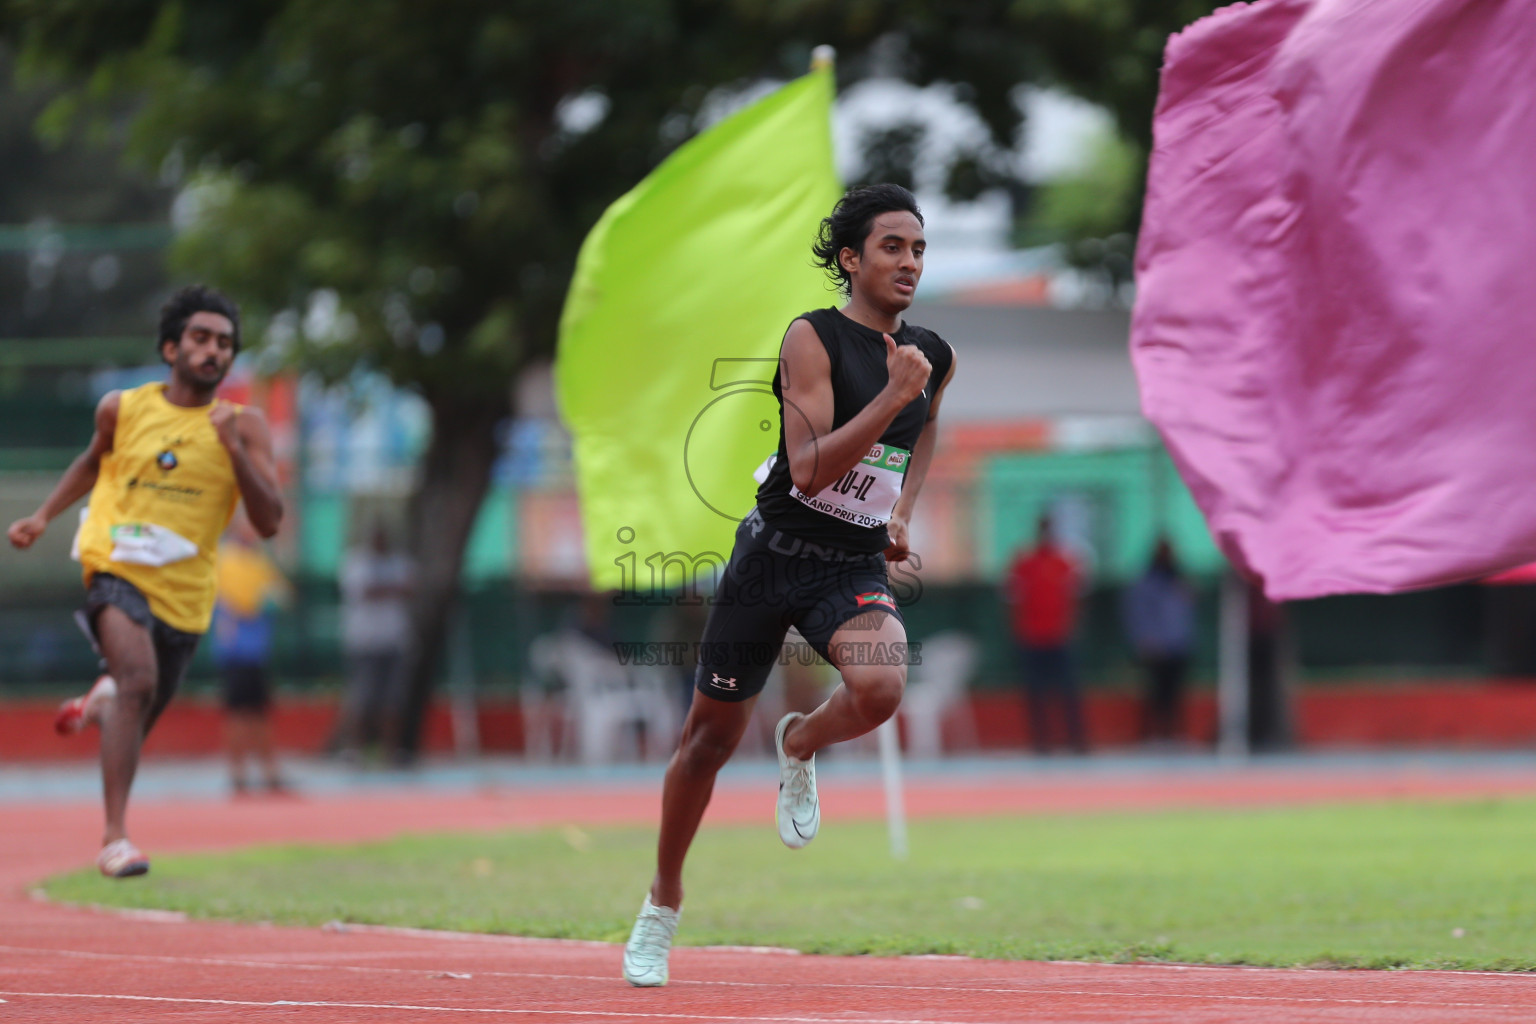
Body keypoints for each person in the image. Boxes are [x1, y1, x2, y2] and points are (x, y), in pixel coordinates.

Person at [622, 183, 956, 987]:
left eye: (918, 249)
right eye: (891, 247)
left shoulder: (930, 356)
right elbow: (808, 474)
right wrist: (891, 395)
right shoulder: (812, 339)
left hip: (849, 566)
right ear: (850, 258)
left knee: (880, 687)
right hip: (772, 556)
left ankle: (800, 742)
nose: (909, 262)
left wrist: (903, 508)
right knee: (706, 742)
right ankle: (661, 904)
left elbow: (929, 423)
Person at [7, 284, 283, 877]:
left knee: (137, 707)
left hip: (185, 592)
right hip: (115, 562)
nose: (214, 351)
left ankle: (103, 698)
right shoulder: (121, 408)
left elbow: (269, 522)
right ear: (170, 347)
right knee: (138, 680)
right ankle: (115, 838)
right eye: (202, 338)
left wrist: (232, 450)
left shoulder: (245, 425)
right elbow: (91, 460)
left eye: (226, 344)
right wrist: (44, 515)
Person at [212, 513, 292, 794]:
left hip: (258, 649)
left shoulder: (257, 557)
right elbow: (247, 599)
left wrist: (268, 595)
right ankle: (238, 773)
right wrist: (265, 595)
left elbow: (283, 594)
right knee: (238, 712)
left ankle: (269, 771)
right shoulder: (228, 557)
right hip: (236, 649)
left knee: (260, 711)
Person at [331, 523, 413, 762]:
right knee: (362, 698)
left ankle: (391, 751)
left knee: (393, 701)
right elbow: (366, 590)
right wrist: (392, 588)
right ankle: (355, 749)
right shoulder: (356, 562)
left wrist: (386, 588)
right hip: (364, 642)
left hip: (394, 640)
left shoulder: (400, 561)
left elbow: (409, 588)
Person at [1005, 515, 1087, 754]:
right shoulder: (1025, 562)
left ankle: (1076, 740)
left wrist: (1072, 627)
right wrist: (1018, 629)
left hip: (1060, 637)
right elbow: (1013, 598)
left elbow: (1078, 596)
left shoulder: (1065, 561)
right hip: (1032, 637)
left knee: (1069, 691)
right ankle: (1041, 741)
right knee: (1035, 693)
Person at [1122, 537, 1196, 743]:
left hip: (1178, 645)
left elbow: (1185, 613)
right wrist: (1145, 639)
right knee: (1155, 695)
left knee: (1176, 694)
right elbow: (1136, 613)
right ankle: (1152, 735)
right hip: (1156, 646)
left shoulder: (1180, 580)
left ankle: (1174, 733)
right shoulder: (1145, 582)